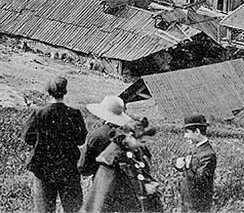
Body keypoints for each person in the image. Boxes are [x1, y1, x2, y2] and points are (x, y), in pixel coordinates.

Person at [23, 76, 88, 213]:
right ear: (65, 92)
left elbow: (27, 137)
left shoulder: (39, 113)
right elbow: (81, 139)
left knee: (44, 209)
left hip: (43, 168)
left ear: (48, 93)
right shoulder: (74, 114)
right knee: (73, 209)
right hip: (68, 168)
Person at [82, 115, 162, 213]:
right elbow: (115, 188)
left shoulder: (127, 150)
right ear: (130, 136)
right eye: (141, 141)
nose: (142, 145)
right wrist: (145, 188)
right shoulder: (112, 157)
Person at [79, 95, 132, 179]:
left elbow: (84, 167)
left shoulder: (96, 136)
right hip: (126, 181)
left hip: (102, 182)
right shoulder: (130, 135)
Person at [175, 114, 217, 212]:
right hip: (187, 201)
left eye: (187, 132)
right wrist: (178, 163)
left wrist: (186, 167)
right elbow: (183, 162)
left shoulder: (208, 154)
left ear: (197, 131)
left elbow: (199, 181)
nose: (185, 136)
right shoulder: (196, 148)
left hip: (197, 206)